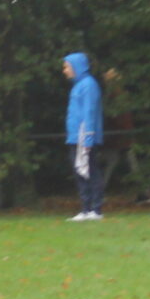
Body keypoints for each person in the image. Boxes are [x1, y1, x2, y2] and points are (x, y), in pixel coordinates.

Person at [64, 52, 106, 219]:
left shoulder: (88, 85)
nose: (65, 71)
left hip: (84, 137)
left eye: (67, 67)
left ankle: (95, 209)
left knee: (91, 171)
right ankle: (85, 209)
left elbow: (89, 112)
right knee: (80, 172)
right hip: (75, 137)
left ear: (76, 66)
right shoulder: (78, 85)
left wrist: (88, 137)